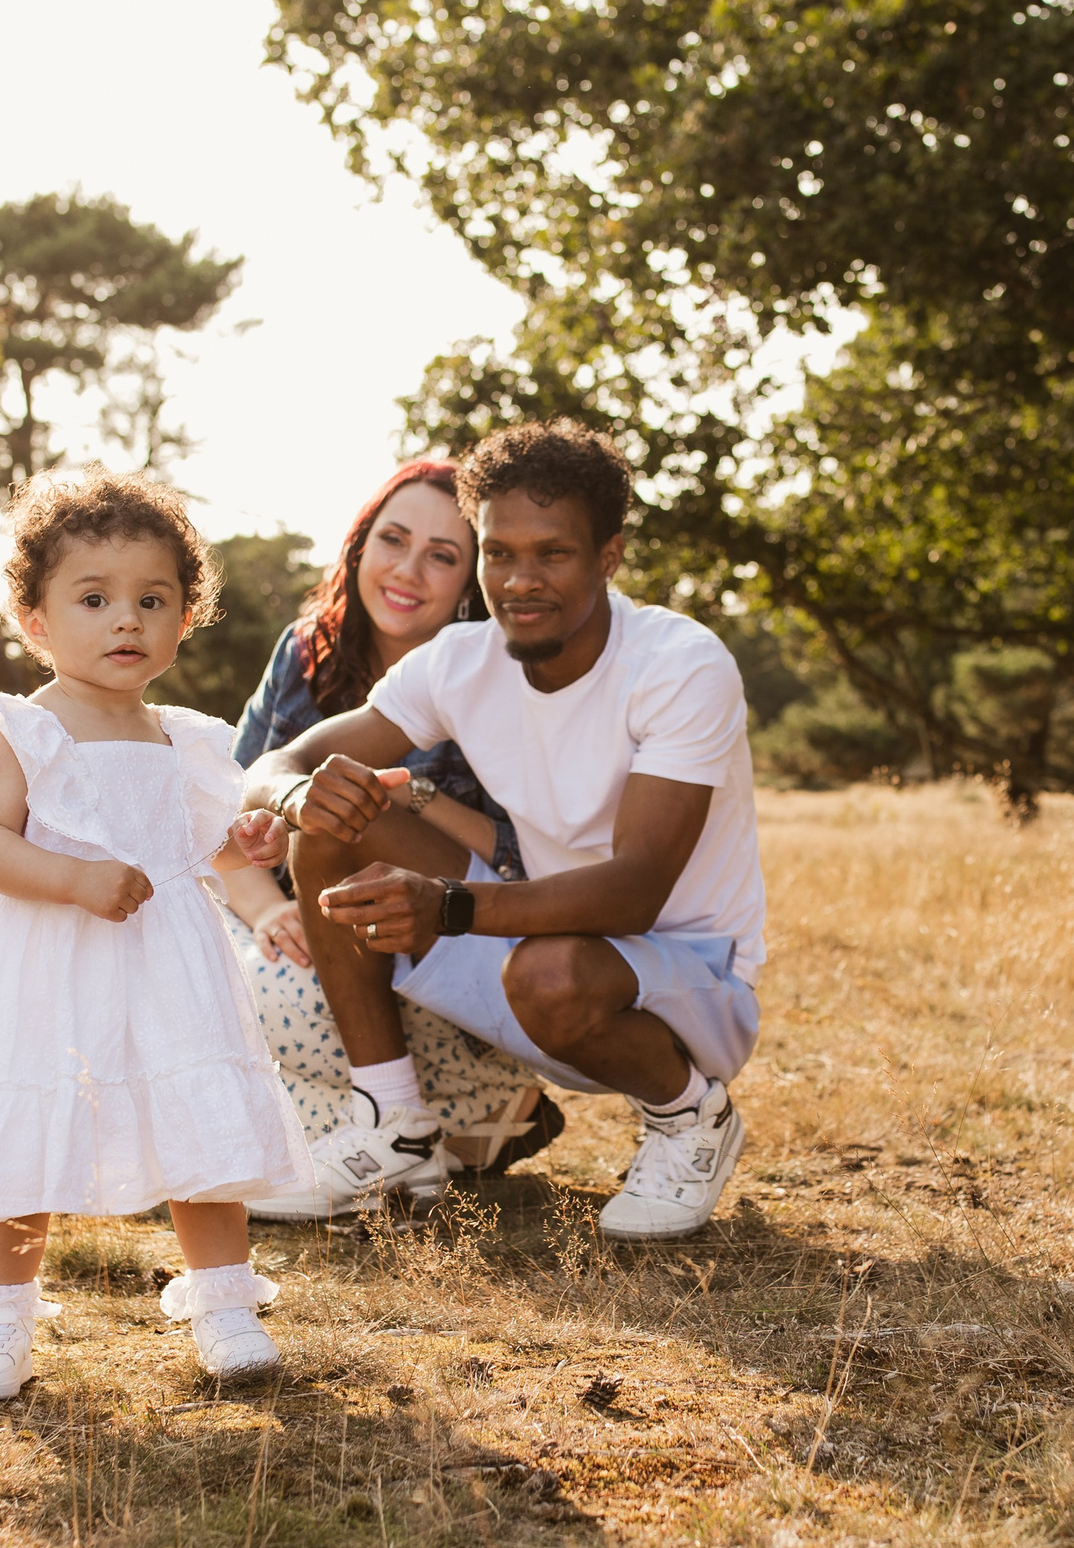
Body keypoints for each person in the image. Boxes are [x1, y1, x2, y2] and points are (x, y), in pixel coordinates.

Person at [234, 420, 767, 1240]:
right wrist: (296, 797)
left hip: (683, 975)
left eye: (552, 553)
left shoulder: (679, 663)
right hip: (530, 938)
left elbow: (634, 891)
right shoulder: (459, 660)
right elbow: (287, 757)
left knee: (551, 974)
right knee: (340, 814)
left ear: (608, 555)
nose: (520, 581)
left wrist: (446, 906)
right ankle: (396, 1125)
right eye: (498, 553)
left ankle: (692, 1116)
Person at [0, 468, 313, 1398]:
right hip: (47, 961)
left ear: (184, 617)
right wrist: (74, 877)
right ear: (35, 620)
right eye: (95, 599)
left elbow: (209, 849)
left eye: (152, 600)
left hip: (167, 968)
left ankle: (224, 1303)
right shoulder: (23, 729)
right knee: (28, 1131)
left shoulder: (183, 738)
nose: (126, 621)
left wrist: (250, 850)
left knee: (201, 1135)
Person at [220, 460, 560, 1220]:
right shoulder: (308, 650)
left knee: (276, 997)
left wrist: (408, 799)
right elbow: (235, 801)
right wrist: (265, 909)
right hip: (306, 929)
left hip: (441, 932)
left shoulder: (503, 676)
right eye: (392, 540)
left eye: (442, 555)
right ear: (358, 545)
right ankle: (448, 1138)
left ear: (470, 580)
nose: (407, 571)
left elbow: (526, 856)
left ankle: (441, 1118)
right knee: (189, 970)